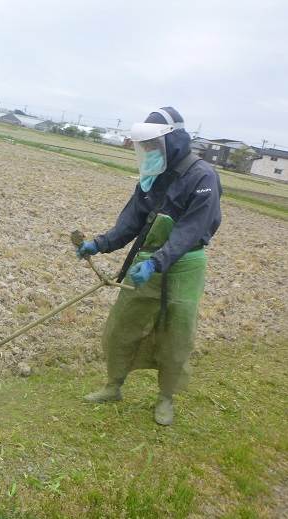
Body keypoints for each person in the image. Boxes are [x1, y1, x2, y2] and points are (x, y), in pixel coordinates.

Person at [76, 107, 222, 425]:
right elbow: (131, 220)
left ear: (175, 141)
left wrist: (158, 261)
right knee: (122, 325)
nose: (151, 151)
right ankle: (113, 386)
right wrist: (100, 244)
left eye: (156, 144)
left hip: (185, 264)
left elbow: (190, 231)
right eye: (148, 146)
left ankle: (165, 398)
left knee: (176, 332)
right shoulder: (153, 174)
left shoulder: (203, 177)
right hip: (149, 260)